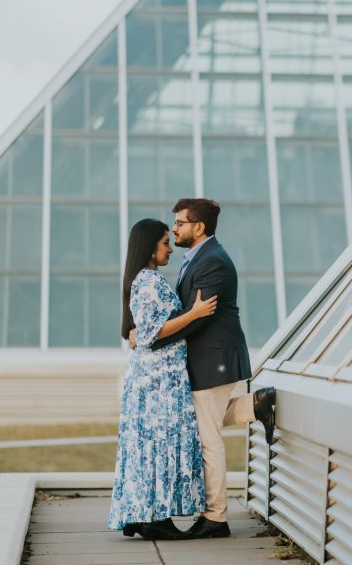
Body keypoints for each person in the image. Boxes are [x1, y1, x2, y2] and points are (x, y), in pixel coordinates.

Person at [139, 198, 276, 539]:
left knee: (207, 438)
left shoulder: (212, 261)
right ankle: (253, 405)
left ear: (198, 227)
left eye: (180, 223)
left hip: (214, 359)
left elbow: (200, 317)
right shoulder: (200, 257)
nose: (174, 229)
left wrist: (155, 337)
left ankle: (216, 517)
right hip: (209, 359)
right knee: (203, 423)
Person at [108, 218, 216, 540]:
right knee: (162, 443)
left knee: (146, 445)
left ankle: (140, 513)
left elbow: (140, 330)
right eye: (165, 242)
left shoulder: (143, 280)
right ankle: (157, 518)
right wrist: (194, 314)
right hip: (159, 380)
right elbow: (152, 333)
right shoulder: (149, 282)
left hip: (151, 377)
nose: (169, 248)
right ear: (150, 247)